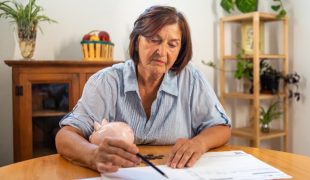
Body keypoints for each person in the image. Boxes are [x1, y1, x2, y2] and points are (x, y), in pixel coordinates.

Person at [55, 5, 231, 173]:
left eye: (172, 44)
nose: (162, 52)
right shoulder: (106, 81)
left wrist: (199, 143)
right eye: (154, 40)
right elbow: (65, 136)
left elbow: (221, 126)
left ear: (180, 49)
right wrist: (92, 155)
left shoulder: (191, 78)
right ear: (136, 40)